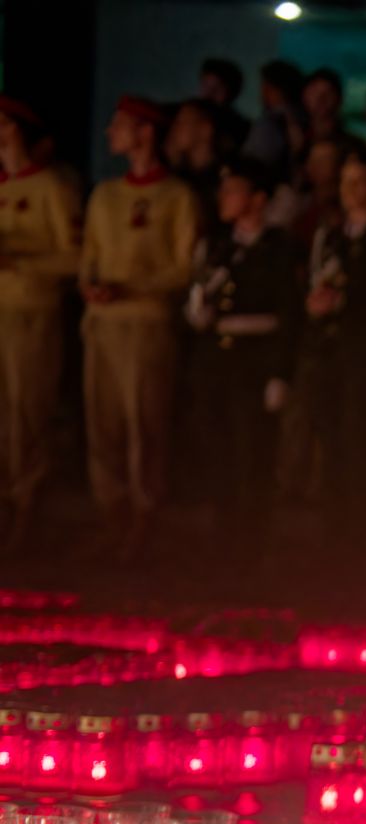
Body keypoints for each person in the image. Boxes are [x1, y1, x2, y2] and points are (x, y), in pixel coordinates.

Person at [81, 96, 200, 560]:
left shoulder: (177, 197)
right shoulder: (105, 195)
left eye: (120, 125)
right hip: (102, 324)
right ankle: (110, 513)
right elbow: (89, 254)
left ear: (145, 132)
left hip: (147, 325)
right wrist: (91, 285)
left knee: (144, 423)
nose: (112, 133)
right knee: (103, 422)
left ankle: (145, 515)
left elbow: (183, 266)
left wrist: (130, 287)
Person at [181, 157, 298, 549]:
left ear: (258, 198)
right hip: (217, 360)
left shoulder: (279, 247)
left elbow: (288, 313)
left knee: (254, 454)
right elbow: (201, 295)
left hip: (255, 360)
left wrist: (280, 373)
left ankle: (251, 543)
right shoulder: (217, 246)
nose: (224, 197)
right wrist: (198, 313)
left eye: (234, 190)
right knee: (219, 452)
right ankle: (223, 539)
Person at [298, 143, 366, 535]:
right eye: (346, 182)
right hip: (328, 351)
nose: (350, 190)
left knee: (363, 441)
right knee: (330, 442)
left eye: (361, 182)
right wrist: (315, 307)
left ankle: (361, 532)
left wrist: (346, 300)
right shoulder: (329, 238)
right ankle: (334, 532)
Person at [0, 97, 80, 552]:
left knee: (28, 410)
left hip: (33, 312)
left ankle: (27, 504)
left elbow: (75, 256)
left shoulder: (51, 187)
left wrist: (21, 261)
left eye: (6, 126)